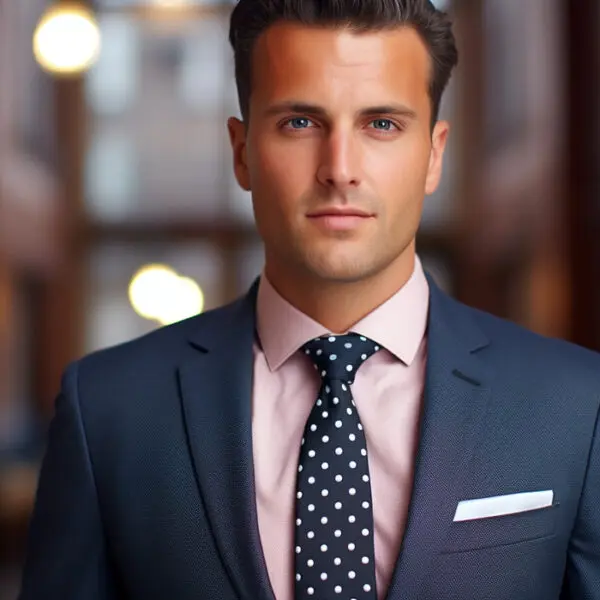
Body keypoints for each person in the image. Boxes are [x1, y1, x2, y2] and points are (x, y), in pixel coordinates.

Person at [19, 0, 600, 599]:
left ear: (433, 154)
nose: (339, 169)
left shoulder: (575, 405)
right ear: (242, 152)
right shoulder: (109, 410)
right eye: (300, 122)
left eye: (381, 124)